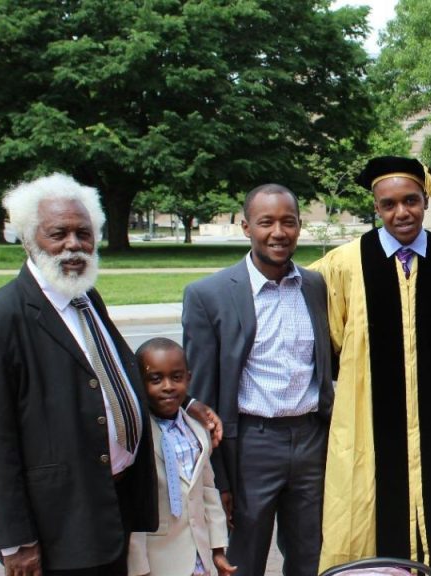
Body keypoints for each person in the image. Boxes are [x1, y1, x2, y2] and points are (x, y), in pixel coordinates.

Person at [0, 174, 161, 574]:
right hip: (57, 525)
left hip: (110, 507)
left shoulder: (86, 298)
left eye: (83, 233)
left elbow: (117, 379)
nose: (74, 244)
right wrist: (15, 539)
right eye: (59, 233)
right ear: (29, 239)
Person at [309, 156, 431, 576]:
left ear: (425, 199)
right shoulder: (342, 267)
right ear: (376, 208)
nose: (401, 212)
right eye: (388, 204)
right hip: (368, 426)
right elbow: (330, 343)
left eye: (410, 200)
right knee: (365, 515)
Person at [182, 184, 334, 576]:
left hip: (311, 442)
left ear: (300, 226)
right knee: (243, 558)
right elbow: (202, 393)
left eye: (288, 222)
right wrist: (219, 474)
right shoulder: (209, 295)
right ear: (247, 227)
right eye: (266, 222)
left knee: (311, 555)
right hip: (251, 445)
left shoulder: (315, 286)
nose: (278, 232)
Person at [128, 338, 236, 576]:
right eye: (156, 379)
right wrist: (138, 569)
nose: (168, 386)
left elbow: (208, 489)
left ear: (188, 378)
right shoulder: (137, 435)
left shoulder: (197, 430)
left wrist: (217, 548)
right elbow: (132, 508)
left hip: (199, 558)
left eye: (176, 377)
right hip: (159, 561)